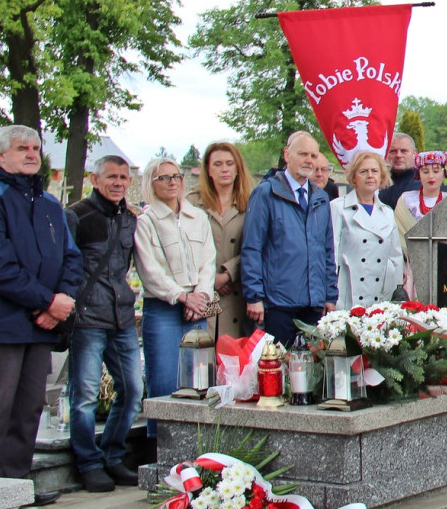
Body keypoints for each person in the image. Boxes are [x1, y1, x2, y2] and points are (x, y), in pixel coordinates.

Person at [0, 125, 82, 506]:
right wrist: (47, 302)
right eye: (21, 148)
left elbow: (72, 259)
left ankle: (14, 487)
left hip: (40, 324)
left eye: (35, 148)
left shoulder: (48, 204)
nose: (31, 154)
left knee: (28, 407)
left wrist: (63, 300)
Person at [65, 155, 142, 492]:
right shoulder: (76, 216)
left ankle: (112, 454)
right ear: (94, 179)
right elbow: (65, 265)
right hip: (87, 317)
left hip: (121, 315)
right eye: (111, 177)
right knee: (83, 395)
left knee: (132, 389)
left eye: (124, 177)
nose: (118, 183)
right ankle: (88, 462)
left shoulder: (130, 219)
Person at [134, 157, 216, 436]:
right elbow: (149, 269)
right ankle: (160, 445)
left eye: (176, 176)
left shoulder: (198, 217)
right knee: (164, 380)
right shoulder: (146, 221)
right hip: (164, 307)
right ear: (151, 183)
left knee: (199, 378)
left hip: (198, 306)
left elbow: (209, 260)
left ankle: (196, 443)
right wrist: (181, 296)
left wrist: (201, 296)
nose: (172, 182)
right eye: (163, 178)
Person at [241, 133, 337, 346]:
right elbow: (252, 247)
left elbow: (327, 251)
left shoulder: (320, 198)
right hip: (278, 305)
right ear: (287, 154)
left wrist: (330, 294)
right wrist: (254, 296)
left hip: (313, 305)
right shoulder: (266, 193)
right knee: (278, 371)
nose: (308, 160)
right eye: (303, 154)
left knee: (312, 373)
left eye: (313, 155)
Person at [186, 142, 255, 340]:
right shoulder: (192, 202)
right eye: (217, 164)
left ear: (237, 168)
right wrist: (210, 279)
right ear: (207, 169)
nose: (224, 169)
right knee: (203, 357)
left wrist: (227, 274)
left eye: (229, 163)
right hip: (202, 291)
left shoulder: (252, 201)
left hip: (237, 291)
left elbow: (259, 246)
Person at [330, 151, 404, 308]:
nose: (370, 175)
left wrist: (395, 295)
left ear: (381, 177)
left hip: (379, 299)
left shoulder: (388, 212)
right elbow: (332, 254)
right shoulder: (338, 208)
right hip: (347, 297)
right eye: (363, 171)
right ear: (354, 178)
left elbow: (395, 257)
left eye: (374, 171)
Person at [395, 150, 447, 237]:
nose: (431, 176)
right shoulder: (406, 200)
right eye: (425, 172)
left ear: (443, 174)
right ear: (419, 174)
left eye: (436, 171)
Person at [378, 133, 421, 208]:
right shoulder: (377, 182)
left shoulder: (425, 183)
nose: (398, 155)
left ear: (414, 154)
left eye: (403, 151)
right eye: (393, 151)